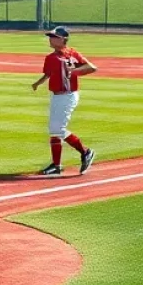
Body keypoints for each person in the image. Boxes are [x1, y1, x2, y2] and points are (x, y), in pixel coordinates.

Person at [31, 25, 97, 177]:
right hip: (56, 96)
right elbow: (48, 74)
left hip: (68, 95)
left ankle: (86, 152)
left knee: (58, 129)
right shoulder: (50, 58)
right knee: (54, 129)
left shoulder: (71, 54)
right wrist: (37, 83)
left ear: (63, 39)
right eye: (50, 37)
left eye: (54, 37)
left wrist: (73, 72)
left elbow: (92, 67)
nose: (51, 39)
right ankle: (56, 165)